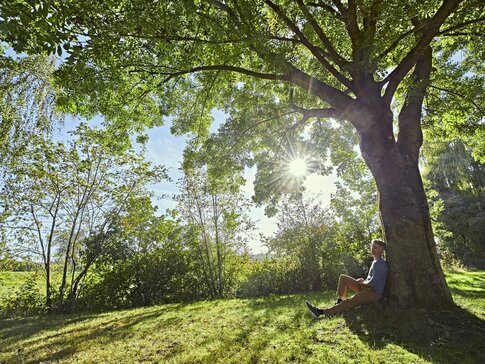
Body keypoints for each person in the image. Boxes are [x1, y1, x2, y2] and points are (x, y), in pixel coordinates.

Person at [306, 239, 388, 318]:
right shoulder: (375, 261)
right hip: (366, 287)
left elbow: (373, 283)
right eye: (372, 247)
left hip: (373, 293)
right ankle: (339, 303)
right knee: (343, 278)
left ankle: (320, 312)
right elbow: (371, 280)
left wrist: (362, 282)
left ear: (381, 250)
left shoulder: (380, 264)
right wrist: (363, 281)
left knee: (349, 302)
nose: (372, 249)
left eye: (375, 248)